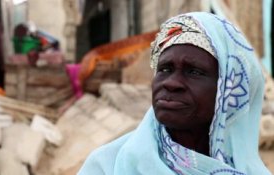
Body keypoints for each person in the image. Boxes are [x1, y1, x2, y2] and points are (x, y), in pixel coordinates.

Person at [78, 12, 271, 175]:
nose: (171, 83)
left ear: (228, 92)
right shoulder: (107, 167)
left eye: (194, 71)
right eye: (165, 69)